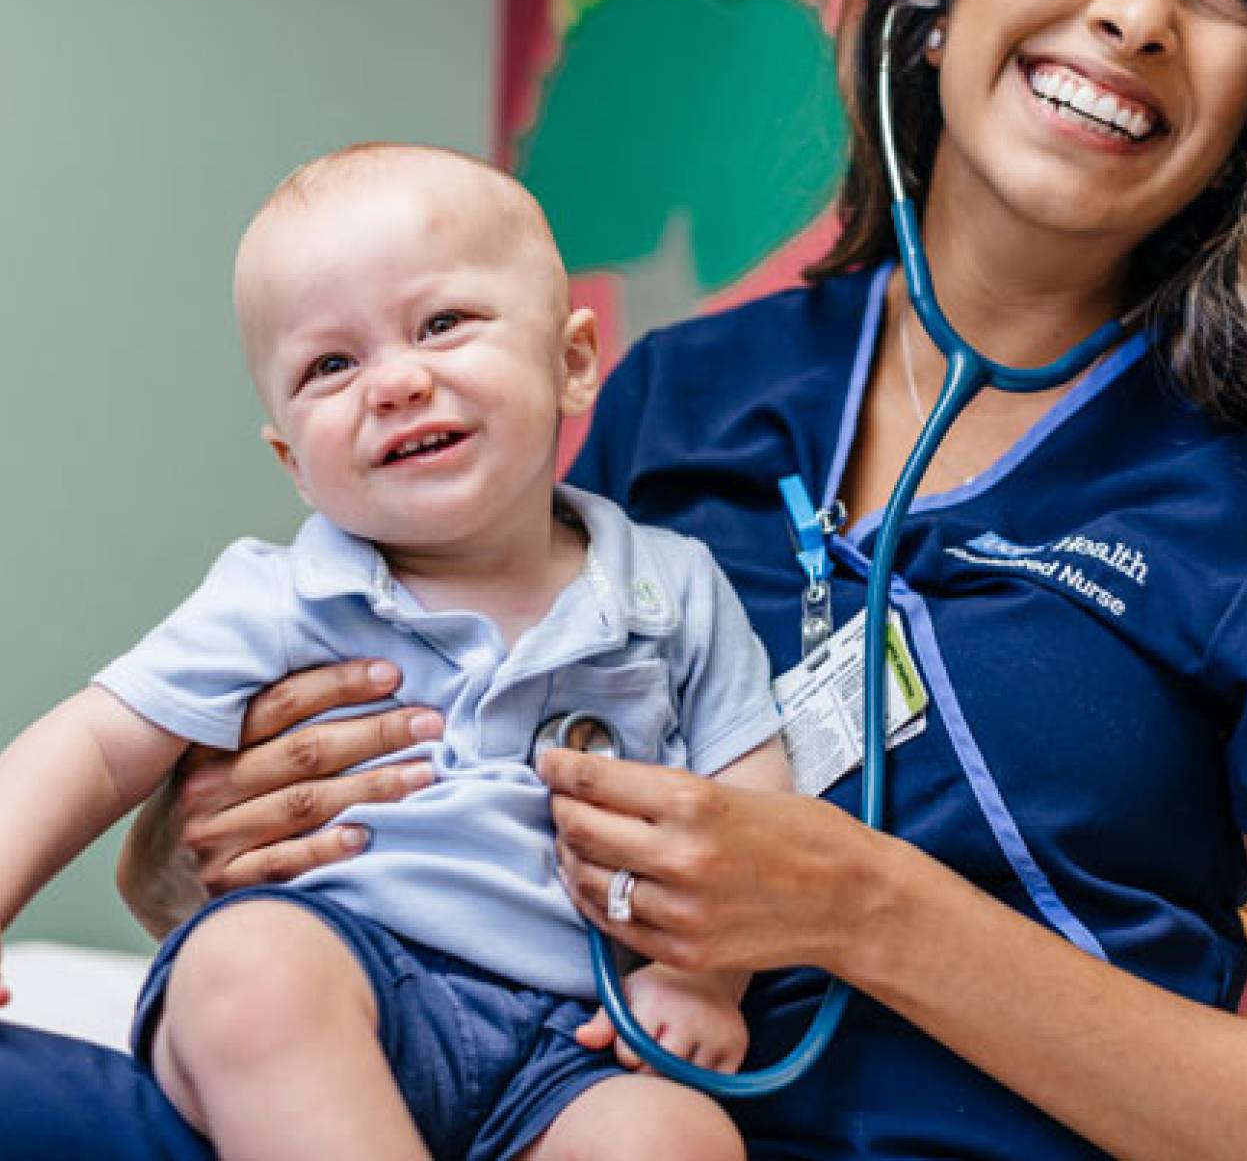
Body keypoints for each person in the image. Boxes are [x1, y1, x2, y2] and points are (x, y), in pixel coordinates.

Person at [3, 0, 1247, 1157]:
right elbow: (351, 791)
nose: (1138, 16)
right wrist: (209, 839)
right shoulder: (682, 391)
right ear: (942, 1)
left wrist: (863, 911)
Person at [0, 144, 790, 1161]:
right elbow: (93, 748)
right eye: (332, 366)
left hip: (576, 1038)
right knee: (248, 972)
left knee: (680, 1138)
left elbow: (756, 811)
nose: (398, 382)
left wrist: (702, 978)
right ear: (292, 461)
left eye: (443, 324)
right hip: (341, 973)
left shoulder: (671, 587)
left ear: (573, 360)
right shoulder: (281, 595)